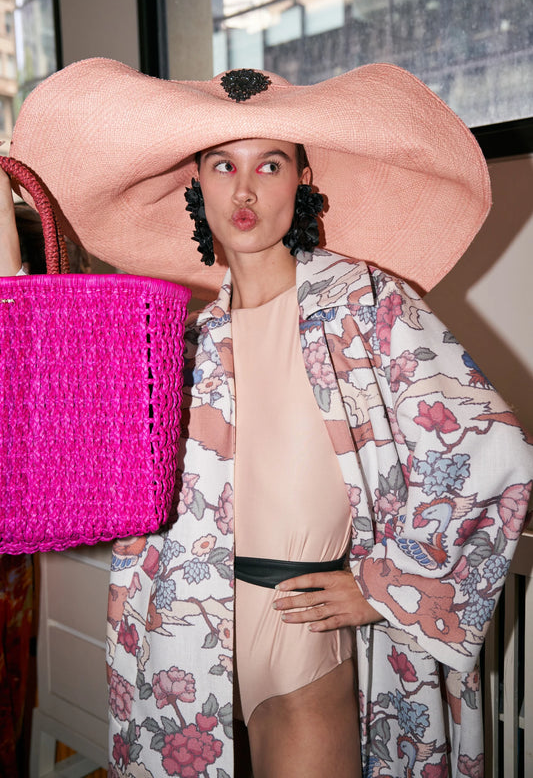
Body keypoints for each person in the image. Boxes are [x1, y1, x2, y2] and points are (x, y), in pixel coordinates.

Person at [3, 60, 533, 778]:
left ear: (302, 182)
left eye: (270, 163)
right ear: (196, 187)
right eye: (222, 165)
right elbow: (38, 394)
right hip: (187, 636)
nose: (244, 189)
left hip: (307, 629)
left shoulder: (363, 299)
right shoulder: (181, 334)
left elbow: (488, 446)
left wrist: (389, 583)